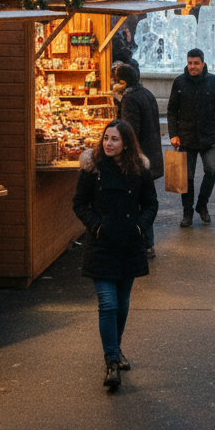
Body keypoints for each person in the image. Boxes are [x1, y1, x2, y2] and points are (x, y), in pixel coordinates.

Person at [73, 120, 158, 390]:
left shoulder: (139, 171)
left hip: (129, 244)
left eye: (115, 139)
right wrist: (96, 226)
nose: (108, 143)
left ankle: (116, 348)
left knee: (121, 304)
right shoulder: (92, 167)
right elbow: (79, 202)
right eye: (106, 138)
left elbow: (151, 204)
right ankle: (111, 360)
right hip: (101, 245)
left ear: (126, 143)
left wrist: (138, 227)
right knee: (108, 304)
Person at [166, 47, 215, 227]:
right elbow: (171, 110)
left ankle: (202, 204)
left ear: (203, 63)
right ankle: (187, 212)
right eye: (190, 63)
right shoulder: (179, 82)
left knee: (211, 171)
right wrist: (174, 134)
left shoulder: (214, 82)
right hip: (186, 137)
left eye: (196, 63)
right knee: (187, 178)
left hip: (208, 137)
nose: (192, 67)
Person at [114, 63, 164, 258]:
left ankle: (144, 244)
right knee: (145, 200)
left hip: (139, 160)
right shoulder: (145, 93)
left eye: (115, 81)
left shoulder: (130, 98)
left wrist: (124, 156)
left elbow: (129, 131)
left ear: (123, 82)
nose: (113, 84)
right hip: (150, 157)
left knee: (136, 202)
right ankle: (147, 243)